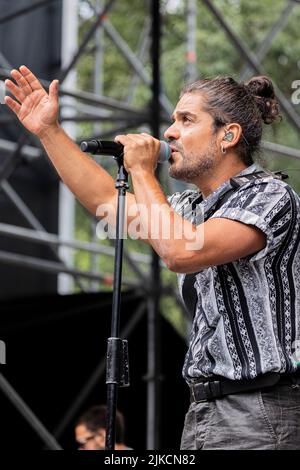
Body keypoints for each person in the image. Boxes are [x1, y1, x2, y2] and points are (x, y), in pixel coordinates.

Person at [4, 66, 300, 450]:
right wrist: (49, 130)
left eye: (186, 120)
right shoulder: (187, 208)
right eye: (173, 120)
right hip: (205, 410)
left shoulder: (270, 196)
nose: (170, 132)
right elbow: (107, 203)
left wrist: (142, 170)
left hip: (261, 409)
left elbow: (181, 251)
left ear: (228, 135)